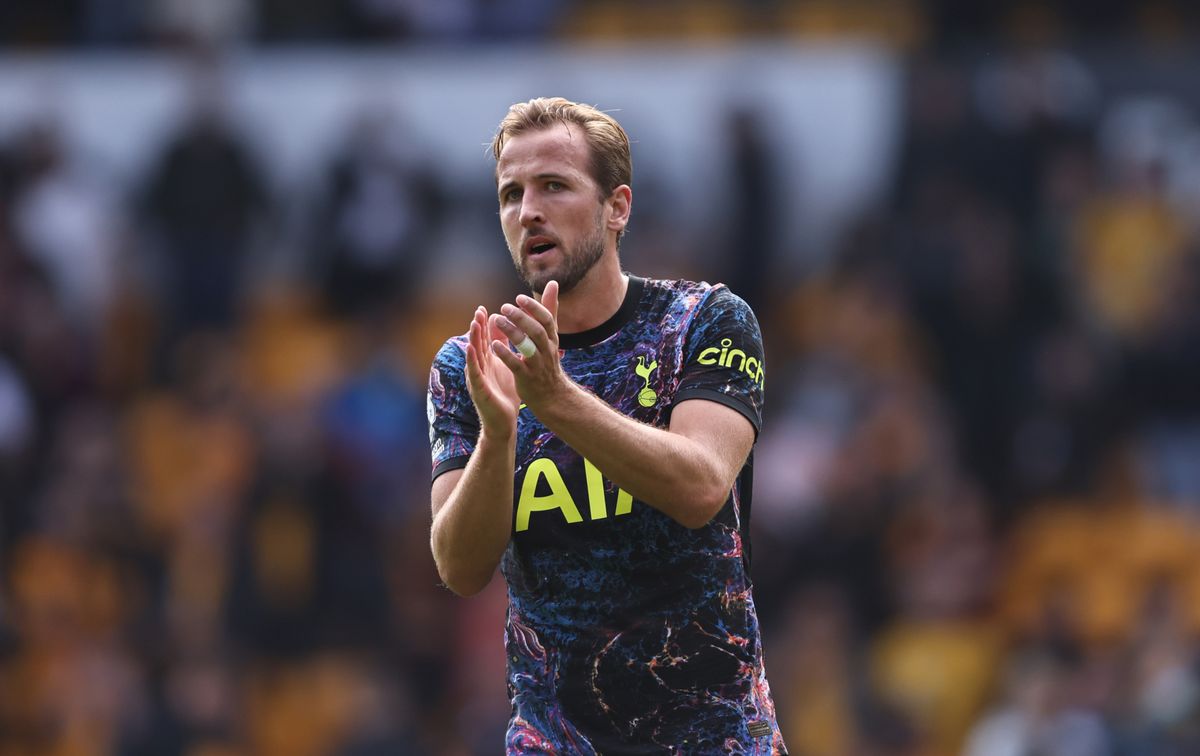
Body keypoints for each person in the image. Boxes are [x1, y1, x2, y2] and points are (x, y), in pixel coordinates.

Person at [427, 97, 787, 754]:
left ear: (617, 207)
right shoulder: (471, 365)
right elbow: (459, 566)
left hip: (714, 739)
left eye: (554, 185)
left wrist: (557, 400)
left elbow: (702, 486)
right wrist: (500, 433)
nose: (527, 209)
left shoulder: (702, 323)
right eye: (511, 193)